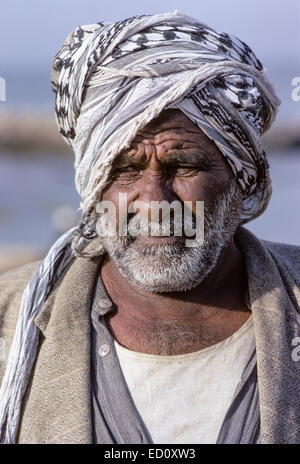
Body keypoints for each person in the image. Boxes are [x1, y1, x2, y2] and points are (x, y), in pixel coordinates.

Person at [0, 11, 299, 445]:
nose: (155, 201)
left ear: (242, 178)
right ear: (92, 185)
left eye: (183, 166)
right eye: (124, 169)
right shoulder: (11, 326)